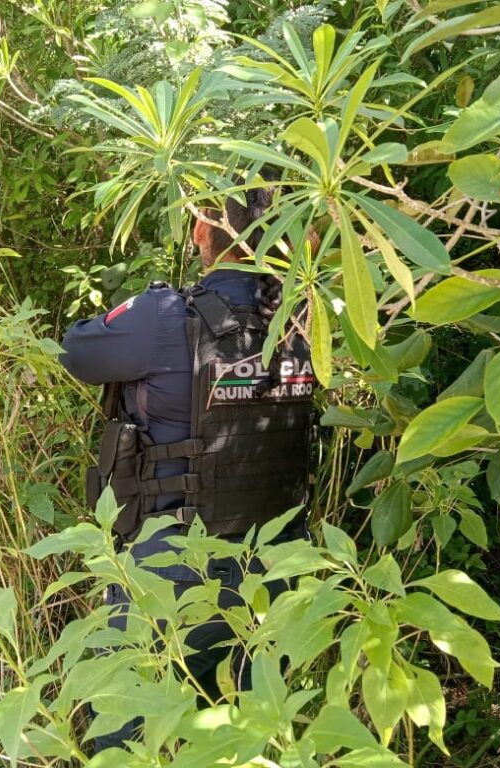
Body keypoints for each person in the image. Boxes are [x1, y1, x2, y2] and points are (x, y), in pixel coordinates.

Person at [59, 178, 319, 751]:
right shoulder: (303, 319)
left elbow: (75, 350)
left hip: (172, 565)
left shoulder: (162, 315)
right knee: (251, 741)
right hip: (279, 564)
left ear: (202, 231)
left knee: (127, 740)